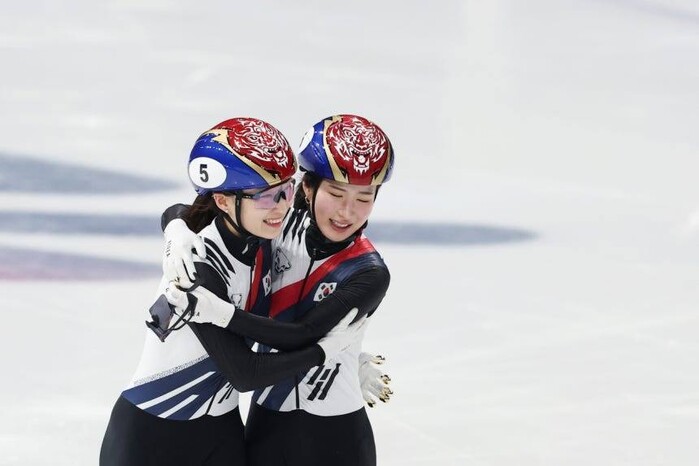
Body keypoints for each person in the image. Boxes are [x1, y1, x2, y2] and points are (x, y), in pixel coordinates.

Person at [99, 117, 366, 466]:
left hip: (222, 434)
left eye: (286, 191)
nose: (282, 207)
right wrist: (323, 353)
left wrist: (348, 357)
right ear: (224, 202)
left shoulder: (265, 240)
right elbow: (245, 373)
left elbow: (185, 209)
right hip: (152, 436)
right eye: (266, 197)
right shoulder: (197, 266)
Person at [162, 114, 395, 466]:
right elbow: (202, 204)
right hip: (267, 427)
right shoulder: (276, 224)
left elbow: (303, 333)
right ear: (307, 188)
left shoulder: (368, 271)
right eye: (335, 193)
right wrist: (176, 229)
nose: (347, 212)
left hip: (337, 431)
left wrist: (220, 313)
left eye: (364, 198)